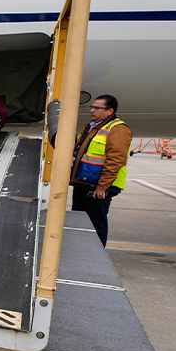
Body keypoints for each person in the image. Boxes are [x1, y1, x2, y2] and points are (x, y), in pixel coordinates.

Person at [70, 94, 131, 246]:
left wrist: (103, 186)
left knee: (95, 224)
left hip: (98, 186)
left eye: (97, 108)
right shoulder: (93, 127)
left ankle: (95, 256)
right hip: (83, 183)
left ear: (109, 111)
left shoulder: (118, 129)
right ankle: (79, 251)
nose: (92, 110)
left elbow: (116, 159)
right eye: (92, 107)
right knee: (79, 221)